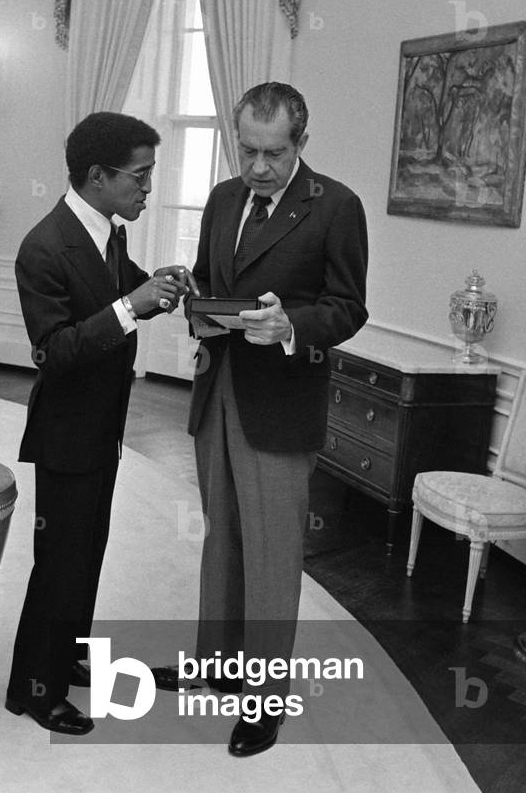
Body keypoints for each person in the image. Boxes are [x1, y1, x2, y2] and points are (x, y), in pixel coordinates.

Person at [153, 81, 368, 756]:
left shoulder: (336, 206)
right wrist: (189, 291)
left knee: (273, 554)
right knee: (223, 537)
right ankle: (217, 665)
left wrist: (288, 326)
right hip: (217, 390)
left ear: (300, 142)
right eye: (247, 150)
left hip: (280, 402)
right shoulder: (222, 197)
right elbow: (211, 274)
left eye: (273, 154)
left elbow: (347, 306)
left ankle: (265, 699)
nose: (258, 167)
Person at [6, 111, 198, 736]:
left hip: (103, 427)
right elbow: (54, 350)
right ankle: (37, 690)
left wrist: (156, 284)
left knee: (88, 552)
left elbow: (116, 291)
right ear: (98, 175)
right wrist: (129, 306)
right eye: (139, 177)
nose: (148, 189)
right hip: (66, 432)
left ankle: (67, 657)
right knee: (60, 560)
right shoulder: (42, 246)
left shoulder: (108, 231)